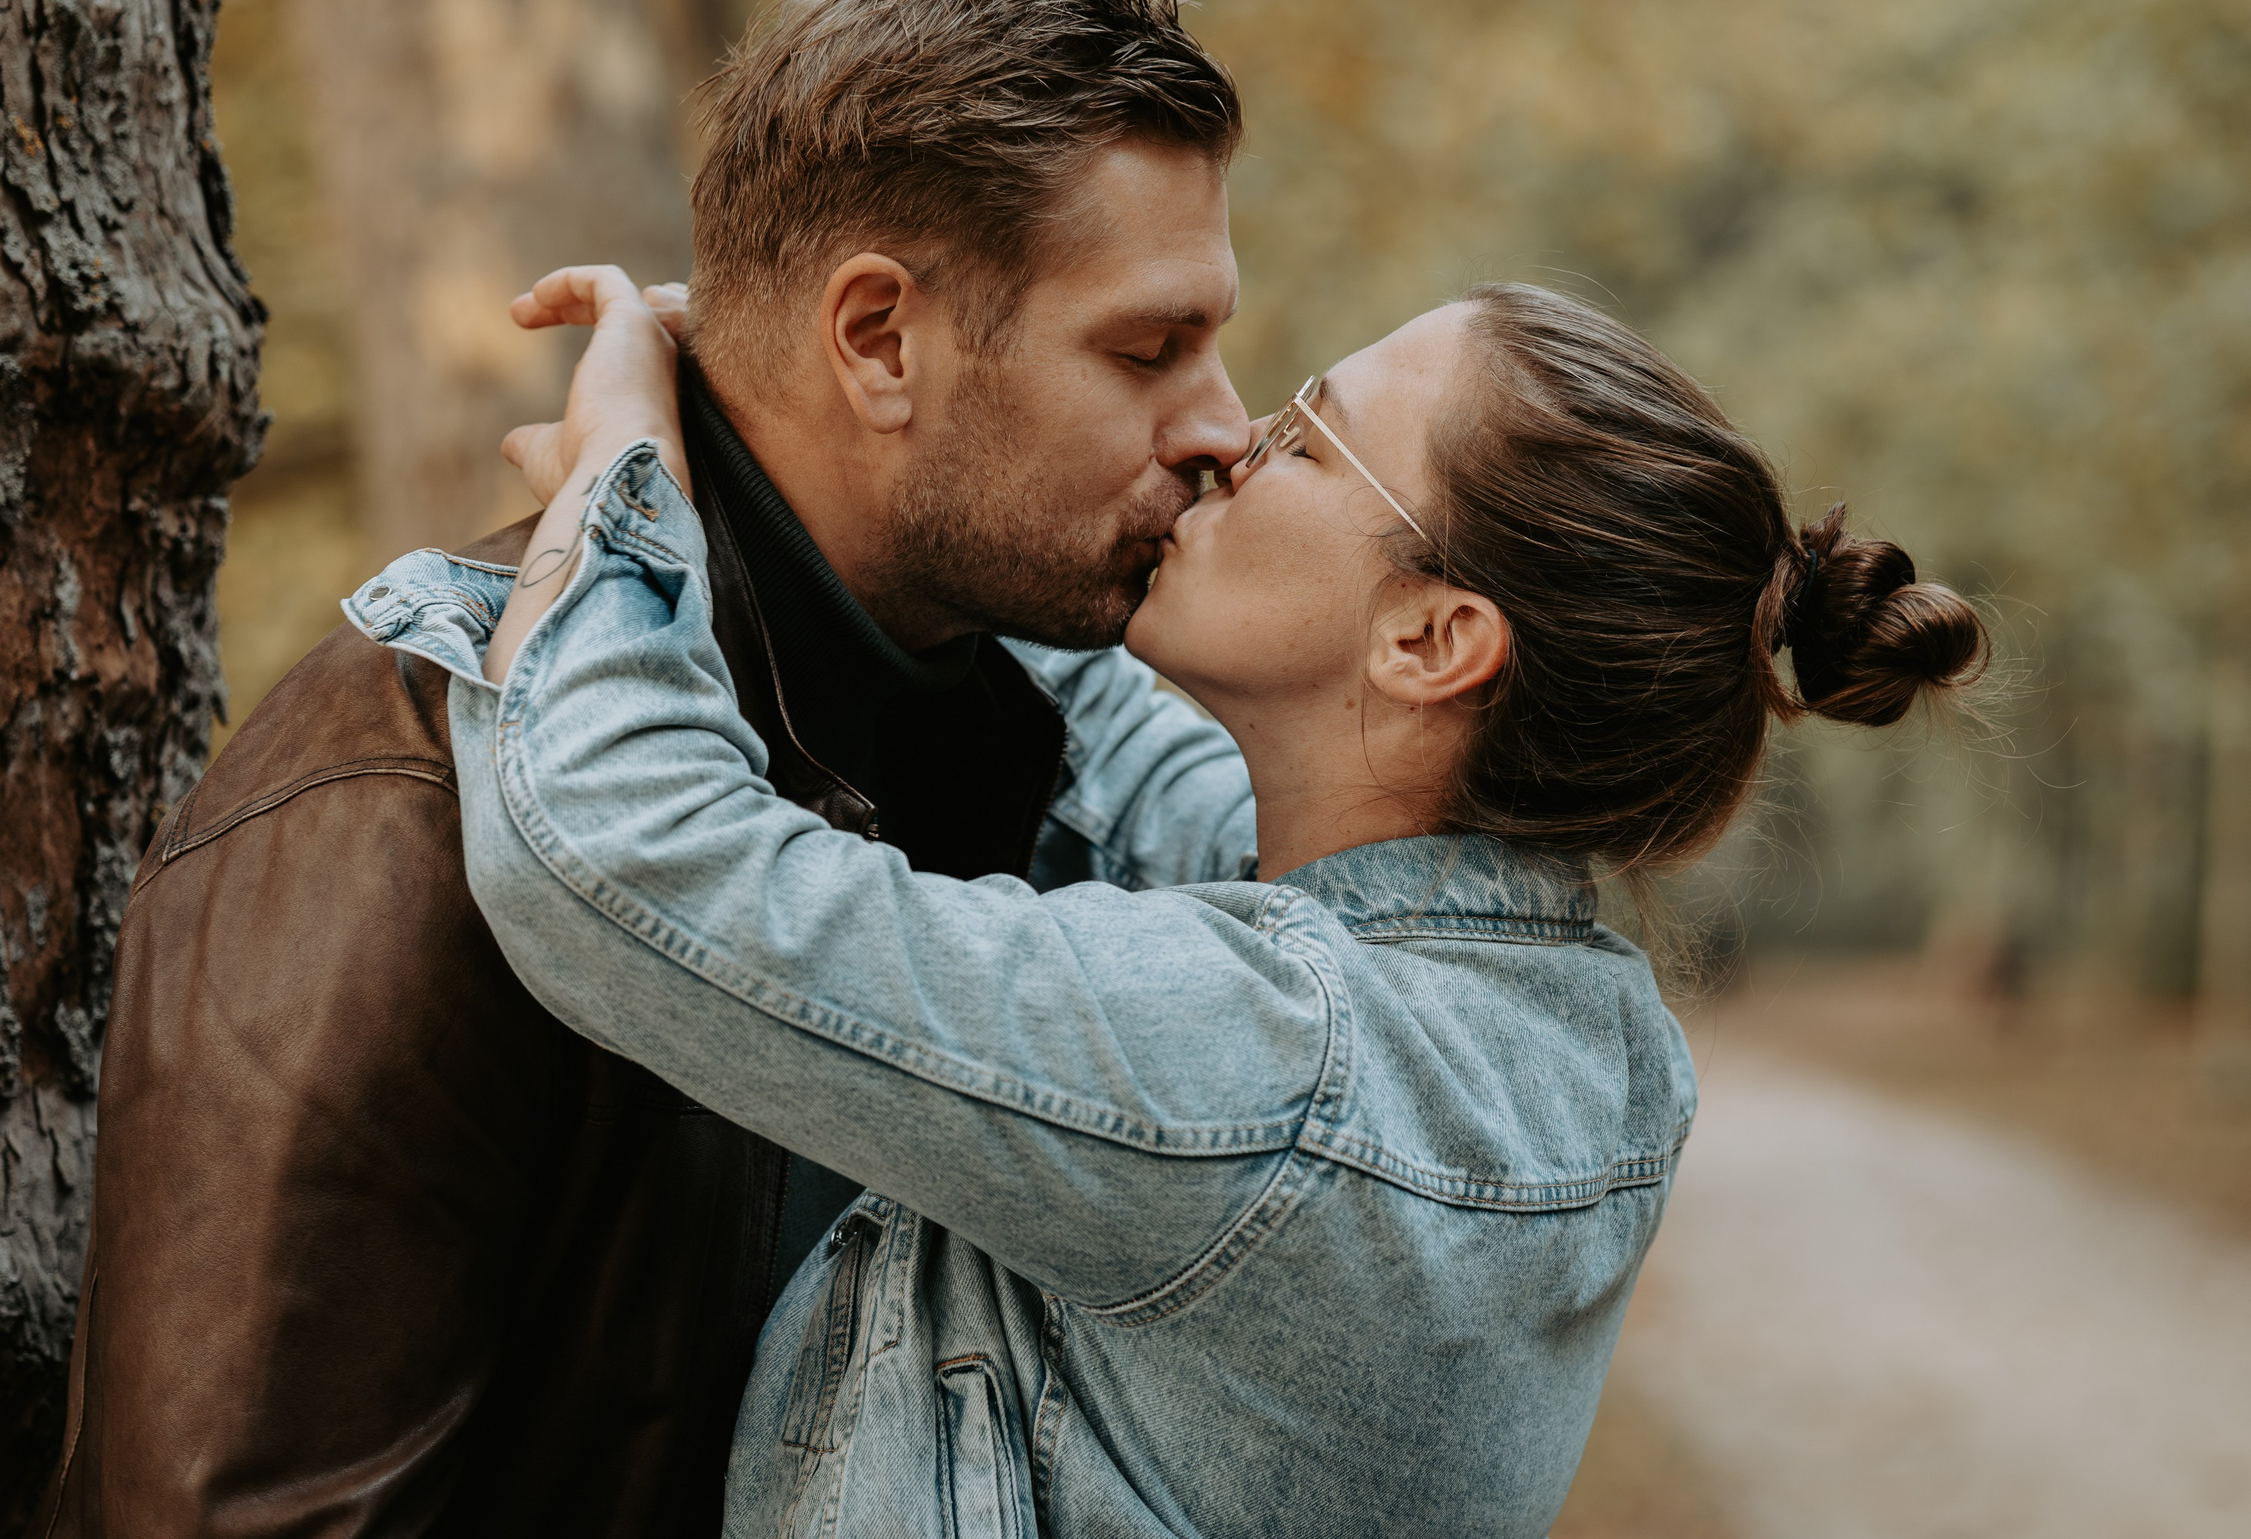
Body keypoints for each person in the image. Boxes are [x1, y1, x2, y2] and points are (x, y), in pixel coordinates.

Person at [344, 268, 1989, 1538]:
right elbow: (1127, 750)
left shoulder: (1279, 1068)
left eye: (1304, 435)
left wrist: (621, 465)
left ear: (1430, 641)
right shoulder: (1560, 1034)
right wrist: (840, 415)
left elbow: (629, 857)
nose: (1223, 441)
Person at [32, 0, 1253, 1536]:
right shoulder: (399, 785)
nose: (1225, 425)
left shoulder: (1029, 747)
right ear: (878, 339)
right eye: (1146, 352)